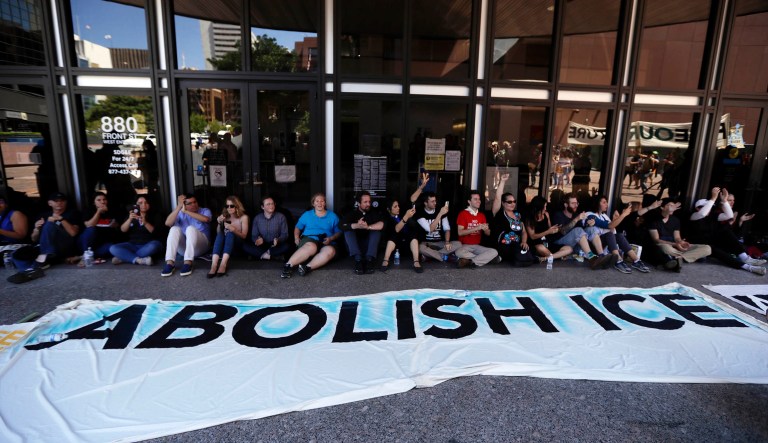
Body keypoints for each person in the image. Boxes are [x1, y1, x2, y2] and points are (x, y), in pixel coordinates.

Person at [688, 187, 765, 275]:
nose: (709, 209)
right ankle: (747, 267)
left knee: (726, 233)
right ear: (698, 208)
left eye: (710, 207)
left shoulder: (713, 216)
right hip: (700, 245)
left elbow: (729, 215)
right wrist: (713, 198)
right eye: (707, 206)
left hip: (712, 242)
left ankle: (744, 257)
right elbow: (702, 213)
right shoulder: (694, 215)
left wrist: (724, 201)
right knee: (714, 249)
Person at [9, 192, 81, 283]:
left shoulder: (72, 213)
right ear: (50, 203)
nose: (59, 203)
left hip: (64, 246)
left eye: (62, 201)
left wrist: (61, 219)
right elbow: (34, 239)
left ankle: (42, 259)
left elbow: (73, 233)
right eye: (56, 201)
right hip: (43, 247)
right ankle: (29, 271)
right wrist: (36, 228)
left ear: (66, 202)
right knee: (16, 254)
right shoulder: (43, 215)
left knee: (50, 224)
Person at [281, 193, 341, 278]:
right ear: (313, 203)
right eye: (317, 201)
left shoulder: (332, 216)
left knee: (330, 250)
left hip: (326, 240)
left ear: (325, 203)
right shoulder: (307, 214)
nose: (320, 203)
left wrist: (331, 238)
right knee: (312, 246)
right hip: (309, 238)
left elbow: (338, 232)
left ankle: (307, 267)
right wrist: (296, 237)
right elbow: (298, 227)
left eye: (322, 201)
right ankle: (288, 266)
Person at [585, 195, 651, 274]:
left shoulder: (604, 216)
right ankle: (618, 261)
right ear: (597, 204)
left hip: (605, 245)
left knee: (619, 235)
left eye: (607, 202)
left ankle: (636, 260)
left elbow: (613, 230)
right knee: (609, 234)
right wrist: (623, 215)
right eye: (604, 202)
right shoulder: (590, 215)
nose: (607, 205)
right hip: (593, 248)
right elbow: (609, 226)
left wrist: (615, 220)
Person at [550, 193, 614, 269]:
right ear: (566, 205)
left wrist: (588, 225)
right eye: (573, 203)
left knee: (591, 229)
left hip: (575, 246)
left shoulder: (576, 214)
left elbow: (582, 235)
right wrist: (577, 219)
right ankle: (592, 259)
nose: (576, 205)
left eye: (577, 203)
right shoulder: (558, 215)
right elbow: (563, 231)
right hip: (561, 243)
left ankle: (601, 256)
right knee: (578, 230)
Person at [648, 198, 711, 272]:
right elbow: (656, 240)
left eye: (673, 206)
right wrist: (675, 244)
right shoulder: (654, 220)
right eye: (669, 206)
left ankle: (678, 258)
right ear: (662, 207)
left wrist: (681, 243)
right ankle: (687, 257)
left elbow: (677, 237)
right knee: (665, 248)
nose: (672, 208)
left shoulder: (675, 220)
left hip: (676, 248)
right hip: (665, 245)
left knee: (707, 248)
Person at [161, 193, 212, 277]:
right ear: (184, 205)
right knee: (174, 229)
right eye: (189, 203)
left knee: (190, 229)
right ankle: (170, 263)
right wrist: (179, 207)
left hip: (202, 246)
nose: (194, 204)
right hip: (184, 249)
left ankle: (188, 262)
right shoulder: (180, 213)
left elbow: (206, 219)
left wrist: (187, 211)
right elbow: (168, 223)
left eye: (195, 202)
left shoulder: (204, 210)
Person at [490, 174, 534, 266]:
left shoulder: (518, 215)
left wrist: (524, 241)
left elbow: (524, 232)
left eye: (514, 201)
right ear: (503, 203)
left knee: (527, 248)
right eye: (509, 202)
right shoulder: (499, 213)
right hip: (504, 246)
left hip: (517, 245)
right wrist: (502, 181)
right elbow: (498, 198)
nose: (512, 204)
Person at [109, 195, 163, 266]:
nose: (143, 205)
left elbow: (156, 233)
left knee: (155, 245)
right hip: (133, 245)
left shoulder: (155, 215)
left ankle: (124, 258)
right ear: (135, 205)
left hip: (148, 244)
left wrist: (146, 223)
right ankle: (139, 260)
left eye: (146, 202)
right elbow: (123, 230)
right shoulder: (132, 215)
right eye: (140, 203)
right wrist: (130, 219)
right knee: (113, 248)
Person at [341, 191, 384, 275]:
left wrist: (368, 227)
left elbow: (382, 224)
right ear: (358, 203)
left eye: (369, 201)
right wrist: (357, 225)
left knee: (376, 231)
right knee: (348, 231)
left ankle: (369, 261)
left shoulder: (374, 212)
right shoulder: (352, 213)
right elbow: (341, 225)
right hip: (355, 247)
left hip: (369, 247)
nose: (368, 204)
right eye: (365, 202)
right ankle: (358, 261)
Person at [454, 190, 500, 268]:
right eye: (475, 199)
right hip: (464, 246)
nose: (478, 201)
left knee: (494, 251)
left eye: (479, 199)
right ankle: (484, 259)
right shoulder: (463, 214)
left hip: (477, 246)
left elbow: (488, 233)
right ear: (469, 201)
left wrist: (486, 229)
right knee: (458, 252)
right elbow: (460, 232)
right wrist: (476, 228)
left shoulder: (481, 215)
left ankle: (469, 261)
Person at [207, 196, 249, 278]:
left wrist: (233, 229)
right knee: (221, 234)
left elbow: (244, 236)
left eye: (232, 206)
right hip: (226, 247)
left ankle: (223, 264)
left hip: (237, 245)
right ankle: (214, 265)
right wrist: (219, 223)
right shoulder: (224, 216)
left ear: (237, 206)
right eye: (227, 206)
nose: (229, 208)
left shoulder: (243, 217)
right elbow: (218, 232)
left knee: (230, 233)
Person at [415, 192, 461, 263]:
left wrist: (447, 242)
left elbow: (447, 229)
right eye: (432, 201)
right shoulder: (420, 213)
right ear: (425, 203)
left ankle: (431, 256)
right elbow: (430, 229)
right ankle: (444, 257)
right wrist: (440, 214)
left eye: (435, 201)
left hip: (440, 243)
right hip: (427, 243)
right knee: (419, 248)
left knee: (458, 244)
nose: (435, 203)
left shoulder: (440, 210)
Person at [242, 196, 291, 261]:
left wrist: (278, 240)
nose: (271, 206)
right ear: (262, 207)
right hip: (262, 245)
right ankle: (273, 257)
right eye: (268, 204)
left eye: (272, 203)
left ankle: (260, 255)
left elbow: (285, 234)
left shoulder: (281, 217)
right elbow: (254, 235)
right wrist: (258, 239)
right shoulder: (257, 218)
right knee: (245, 246)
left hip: (275, 245)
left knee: (287, 246)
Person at [379, 199, 422, 273]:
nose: (398, 208)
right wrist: (406, 217)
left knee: (413, 236)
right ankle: (385, 260)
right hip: (395, 247)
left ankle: (416, 261)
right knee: (392, 237)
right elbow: (397, 229)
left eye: (398, 206)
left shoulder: (400, 215)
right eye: (395, 206)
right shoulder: (387, 219)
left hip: (406, 245)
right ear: (389, 209)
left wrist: (409, 217)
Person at [79, 192, 120, 262]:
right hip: (87, 244)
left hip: (102, 244)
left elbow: (118, 226)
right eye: (99, 200)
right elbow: (89, 225)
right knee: (91, 230)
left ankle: (83, 257)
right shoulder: (88, 210)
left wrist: (115, 225)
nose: (102, 202)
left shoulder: (111, 210)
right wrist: (98, 212)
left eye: (104, 199)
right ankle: (86, 255)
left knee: (113, 247)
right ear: (94, 202)